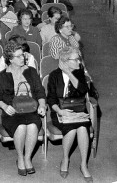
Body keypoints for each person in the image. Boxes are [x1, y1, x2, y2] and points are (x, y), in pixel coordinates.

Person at [0, 37, 46, 176]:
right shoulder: (3, 76)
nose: (23, 57)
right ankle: (20, 158)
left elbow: (40, 91)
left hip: (30, 108)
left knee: (33, 126)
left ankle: (28, 158)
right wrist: (4, 107)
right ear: (10, 59)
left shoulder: (31, 71)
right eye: (19, 56)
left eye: (23, 54)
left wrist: (41, 105)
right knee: (21, 127)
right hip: (12, 111)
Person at [47, 46, 92, 182]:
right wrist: (60, 111)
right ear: (65, 60)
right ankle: (65, 159)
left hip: (78, 110)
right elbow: (51, 99)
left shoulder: (79, 73)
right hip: (60, 110)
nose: (79, 62)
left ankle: (84, 165)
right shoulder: (54, 75)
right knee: (72, 130)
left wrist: (69, 72)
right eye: (76, 59)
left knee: (83, 128)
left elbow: (83, 90)